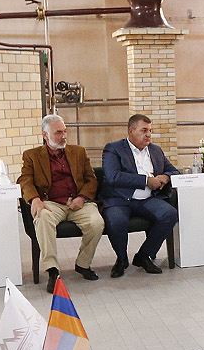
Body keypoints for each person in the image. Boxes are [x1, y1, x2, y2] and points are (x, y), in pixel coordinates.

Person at [20, 114, 105, 292]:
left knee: (96, 222)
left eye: (65, 132)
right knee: (42, 217)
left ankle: (83, 264)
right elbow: (25, 180)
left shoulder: (78, 152)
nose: (64, 136)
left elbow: (91, 179)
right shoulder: (32, 156)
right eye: (58, 133)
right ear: (45, 135)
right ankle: (52, 270)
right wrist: (35, 199)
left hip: (78, 202)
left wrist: (82, 197)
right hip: (52, 202)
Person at [100, 114, 179, 277]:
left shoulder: (155, 150)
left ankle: (144, 255)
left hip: (147, 199)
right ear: (131, 131)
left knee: (170, 214)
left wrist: (166, 177)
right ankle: (121, 259)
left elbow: (173, 170)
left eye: (150, 131)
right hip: (120, 199)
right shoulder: (114, 149)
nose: (148, 135)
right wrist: (146, 180)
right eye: (144, 131)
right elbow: (113, 176)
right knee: (116, 220)